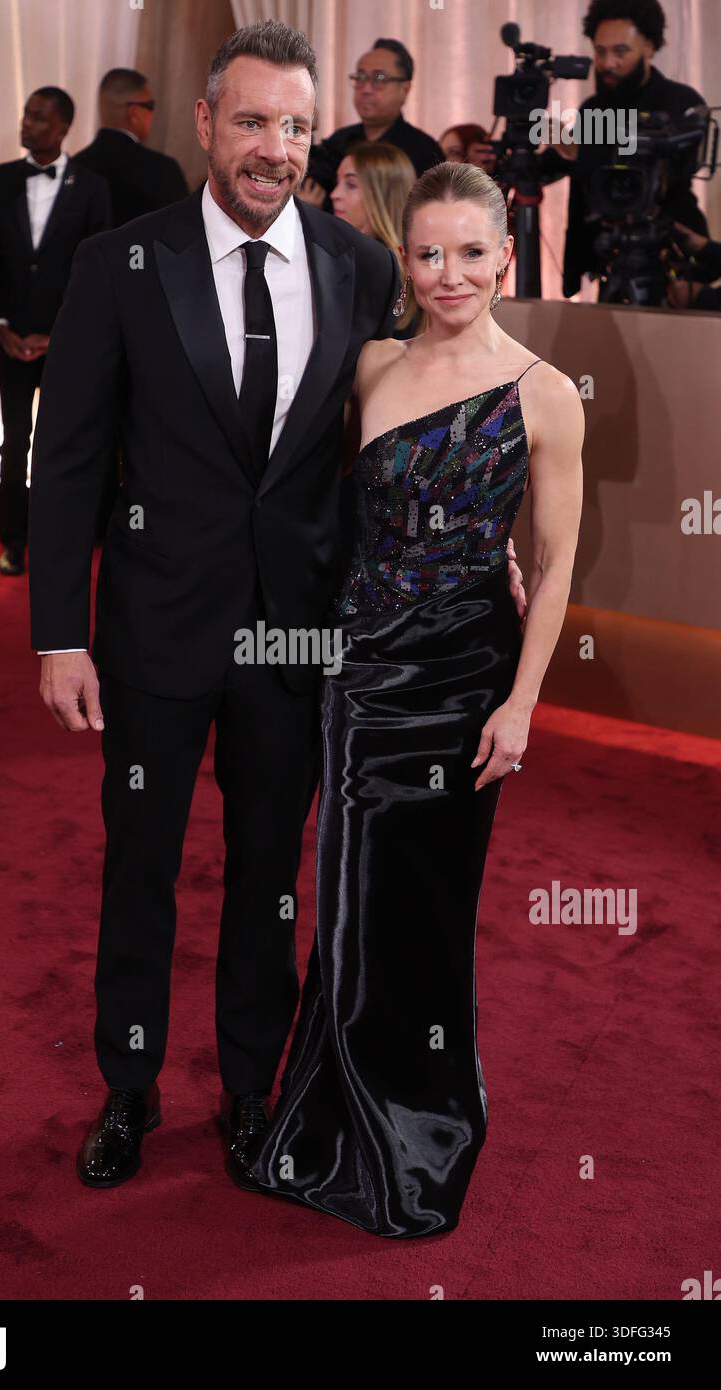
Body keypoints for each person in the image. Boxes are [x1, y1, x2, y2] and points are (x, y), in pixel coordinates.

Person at [26, 20, 528, 1192]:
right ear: (205, 122)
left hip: (297, 632)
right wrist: (58, 631)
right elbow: (67, 462)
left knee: (269, 873)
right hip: (153, 627)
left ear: (317, 135)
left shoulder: (357, 265)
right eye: (249, 120)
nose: (272, 147)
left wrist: (478, 544)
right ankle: (130, 1086)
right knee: (140, 864)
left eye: (294, 126)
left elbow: (398, 435)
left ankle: (251, 1089)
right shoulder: (123, 263)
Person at [237, 160, 584, 1238]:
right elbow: (315, 500)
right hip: (363, 667)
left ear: (504, 259)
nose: (447, 274)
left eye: (469, 253)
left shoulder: (543, 391)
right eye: (427, 253)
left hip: (467, 677)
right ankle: (331, 1117)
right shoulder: (370, 365)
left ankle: (423, 1126)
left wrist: (521, 702)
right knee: (346, 900)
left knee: (431, 911)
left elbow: (558, 558)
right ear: (408, 258)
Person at [0, 87, 111, 578]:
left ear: (63, 127)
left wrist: (61, 336)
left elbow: (96, 274)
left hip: (66, 345)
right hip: (11, 342)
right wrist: (0, 325)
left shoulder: (92, 187)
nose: (26, 123)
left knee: (62, 449)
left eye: (38, 117)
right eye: (26, 114)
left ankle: (59, 546)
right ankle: (12, 543)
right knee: (13, 444)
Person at [537, 0, 709, 299]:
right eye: (600, 52)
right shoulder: (593, 109)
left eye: (620, 52)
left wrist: (583, 153)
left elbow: (673, 167)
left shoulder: (680, 101)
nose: (608, 64)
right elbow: (560, 162)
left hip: (671, 262)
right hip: (608, 262)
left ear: (650, 47)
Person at [302, 38, 443, 212]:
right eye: (360, 77)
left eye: (379, 78)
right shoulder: (338, 142)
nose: (366, 88)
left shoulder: (424, 151)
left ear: (405, 89)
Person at [74, 68, 188, 228]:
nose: (152, 114)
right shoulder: (162, 170)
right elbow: (181, 233)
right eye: (150, 105)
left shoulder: (74, 168)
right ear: (133, 113)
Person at [330, 141, 420, 338]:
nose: (334, 194)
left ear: (383, 195)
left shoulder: (379, 267)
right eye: (338, 183)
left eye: (351, 185)